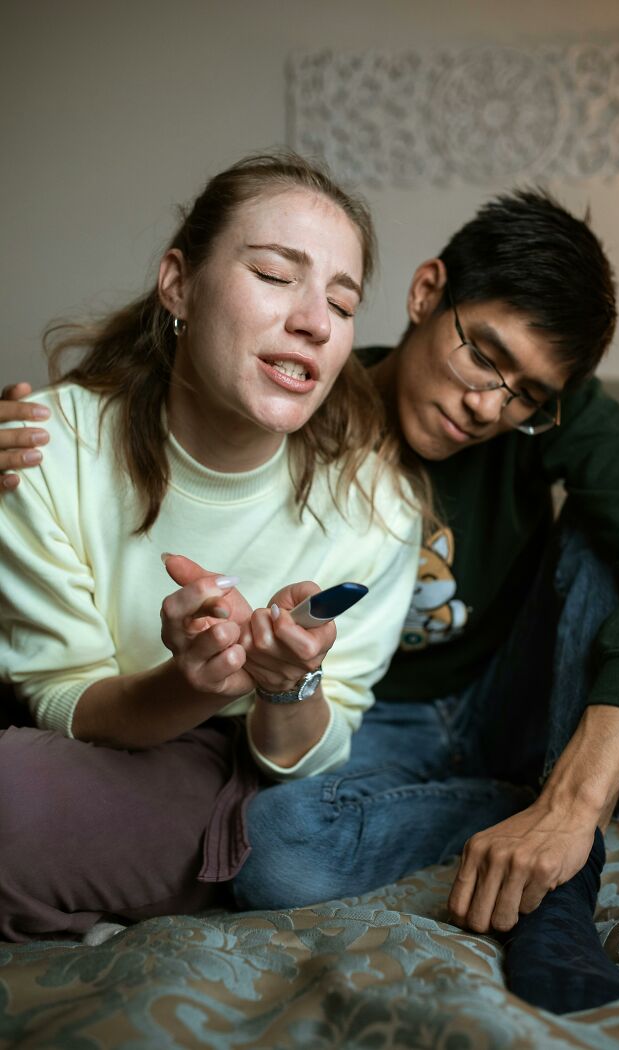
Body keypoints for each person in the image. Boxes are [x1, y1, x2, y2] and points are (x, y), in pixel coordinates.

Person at [4, 189, 619, 1014]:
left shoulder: (544, 415)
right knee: (272, 854)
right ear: (425, 292)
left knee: (617, 535)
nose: (490, 404)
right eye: (483, 356)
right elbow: (160, 415)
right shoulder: (301, 392)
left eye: (523, 392)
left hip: (509, 694)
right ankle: (520, 806)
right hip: (370, 725)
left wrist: (574, 807)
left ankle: (564, 859)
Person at [0, 152, 421, 943]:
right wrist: (186, 680)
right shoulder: (44, 450)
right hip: (79, 731)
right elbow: (62, 699)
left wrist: (284, 685)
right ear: (178, 284)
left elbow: (309, 760)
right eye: (273, 273)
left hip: (221, 766)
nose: (316, 321)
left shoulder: (377, 509)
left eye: (341, 299)